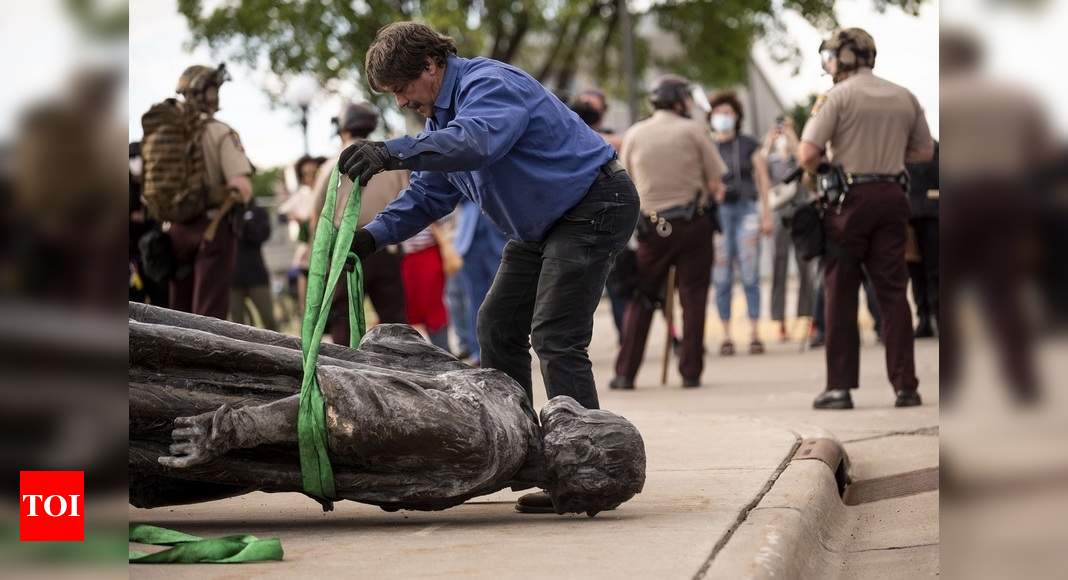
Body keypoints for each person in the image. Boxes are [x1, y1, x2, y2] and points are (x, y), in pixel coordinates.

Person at [339, 23, 639, 513]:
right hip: (539, 227)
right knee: (495, 325)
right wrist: (370, 238)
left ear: (431, 67)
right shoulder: (440, 125)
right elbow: (429, 194)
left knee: (556, 335)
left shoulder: (488, 84)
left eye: (401, 89)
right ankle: (517, 452)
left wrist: (390, 151)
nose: (400, 103)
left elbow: (476, 143)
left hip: (592, 203)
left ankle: (588, 473)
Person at [129, 303, 645, 517]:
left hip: (266, 399)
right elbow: (360, 397)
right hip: (260, 400)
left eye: (586, 420)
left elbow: (356, 404)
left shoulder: (498, 424)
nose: (574, 408)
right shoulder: (490, 434)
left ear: (577, 445)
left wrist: (235, 428)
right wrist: (235, 427)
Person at [798, 28, 934, 409]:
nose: (828, 66)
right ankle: (906, 385)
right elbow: (924, 151)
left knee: (840, 290)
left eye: (829, 57)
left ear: (843, 57)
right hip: (893, 196)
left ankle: (839, 388)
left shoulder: (836, 96)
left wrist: (831, 161)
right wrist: (888, 154)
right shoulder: (904, 95)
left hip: (848, 202)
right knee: (893, 291)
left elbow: (807, 154)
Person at [610, 75, 726, 389]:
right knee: (693, 297)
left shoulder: (635, 133)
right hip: (693, 224)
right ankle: (690, 372)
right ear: (679, 100)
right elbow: (716, 183)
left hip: (652, 227)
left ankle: (625, 373)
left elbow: (625, 181)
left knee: (643, 297)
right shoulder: (694, 130)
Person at [311, 103, 408, 345]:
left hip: (347, 249)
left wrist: (322, 258)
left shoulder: (330, 167)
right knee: (393, 317)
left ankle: (346, 371)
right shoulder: (390, 163)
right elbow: (406, 199)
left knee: (343, 317)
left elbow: (317, 217)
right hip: (386, 244)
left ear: (343, 129)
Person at [166, 64, 253, 319]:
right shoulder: (220, 131)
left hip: (175, 231)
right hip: (212, 230)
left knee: (175, 315)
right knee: (208, 315)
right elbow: (242, 188)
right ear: (208, 94)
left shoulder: (167, 132)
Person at [709, 90, 774, 356]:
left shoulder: (749, 143)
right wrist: (715, 192)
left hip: (747, 209)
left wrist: (766, 214)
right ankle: (726, 335)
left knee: (750, 273)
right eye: (718, 113)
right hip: (720, 213)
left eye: (728, 113)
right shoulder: (708, 144)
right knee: (722, 276)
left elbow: (763, 179)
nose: (723, 117)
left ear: (736, 116)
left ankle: (755, 332)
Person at [764, 117, 814, 342]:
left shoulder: (797, 156)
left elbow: (806, 164)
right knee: (779, 266)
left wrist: (794, 138)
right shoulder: (770, 159)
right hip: (778, 216)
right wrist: (769, 141)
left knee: (805, 267)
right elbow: (758, 171)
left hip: (801, 213)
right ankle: (780, 321)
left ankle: (809, 317)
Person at [453, 199, 507, 365]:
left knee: (502, 300)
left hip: (500, 239)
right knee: (474, 300)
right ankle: (478, 351)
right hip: (470, 242)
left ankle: (504, 349)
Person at [906, 141, 939, 338]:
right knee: (915, 271)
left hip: (932, 216)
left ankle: (938, 317)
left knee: (935, 271)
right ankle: (924, 318)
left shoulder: (936, 150)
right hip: (909, 217)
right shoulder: (901, 149)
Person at [229, 197, 277, 330]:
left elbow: (263, 235)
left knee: (269, 319)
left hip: (256, 275)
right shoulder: (226, 214)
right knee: (237, 325)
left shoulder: (258, 211)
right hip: (232, 278)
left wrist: (244, 221)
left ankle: (278, 349)